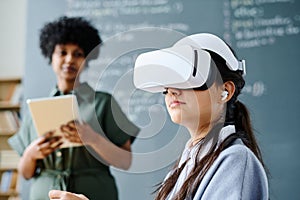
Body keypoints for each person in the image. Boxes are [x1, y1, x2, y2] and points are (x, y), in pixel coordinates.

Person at [49, 33, 269, 200]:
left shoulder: (236, 161)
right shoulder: (187, 163)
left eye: (190, 77)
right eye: (170, 80)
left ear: (226, 91)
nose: (172, 90)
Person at [9, 16, 139, 200]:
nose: (69, 59)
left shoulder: (104, 103)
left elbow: (125, 161)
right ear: (51, 56)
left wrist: (93, 139)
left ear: (87, 59)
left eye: (78, 54)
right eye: (62, 52)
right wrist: (31, 154)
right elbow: (26, 173)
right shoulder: (35, 110)